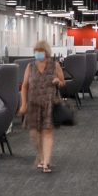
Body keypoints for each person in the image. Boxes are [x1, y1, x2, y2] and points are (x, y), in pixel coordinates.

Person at [23, 41, 66, 173]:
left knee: (47, 132)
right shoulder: (30, 66)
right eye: (36, 51)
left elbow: (63, 82)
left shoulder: (55, 65)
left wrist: (58, 81)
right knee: (34, 134)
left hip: (49, 103)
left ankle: (46, 163)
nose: (38, 54)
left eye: (40, 51)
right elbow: (24, 86)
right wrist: (23, 104)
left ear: (46, 52)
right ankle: (41, 157)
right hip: (33, 104)